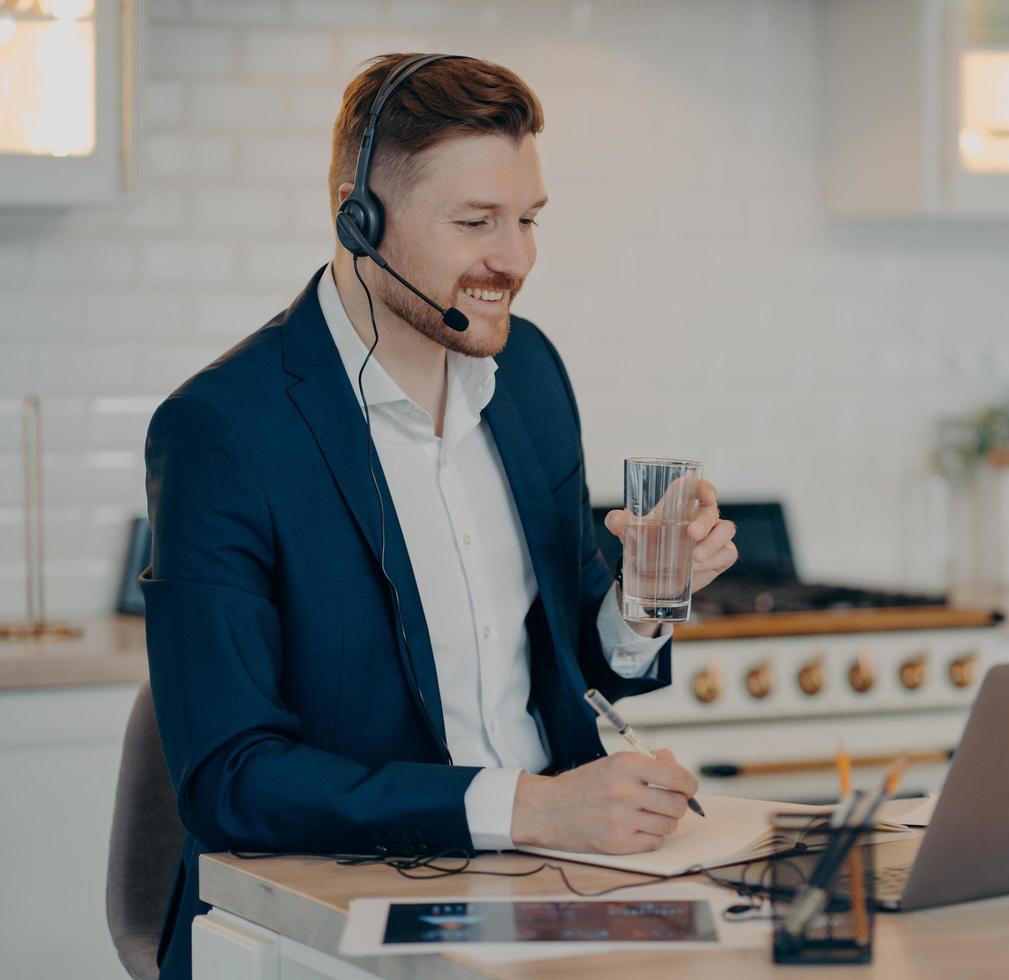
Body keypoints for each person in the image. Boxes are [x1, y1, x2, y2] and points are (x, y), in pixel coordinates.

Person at [141, 53, 737, 979]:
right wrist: (533, 808)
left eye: (529, 219)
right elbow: (231, 778)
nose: (516, 259)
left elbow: (563, 653)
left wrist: (647, 597)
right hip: (333, 908)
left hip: (556, 886)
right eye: (475, 223)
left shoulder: (529, 373)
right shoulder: (223, 430)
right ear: (358, 214)